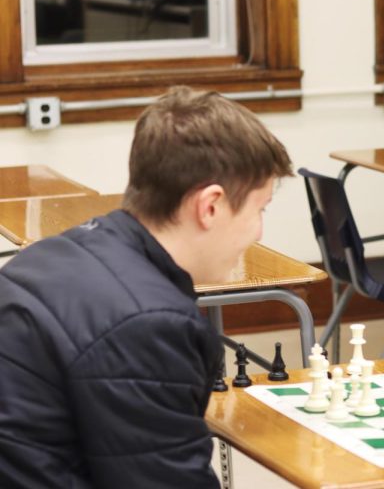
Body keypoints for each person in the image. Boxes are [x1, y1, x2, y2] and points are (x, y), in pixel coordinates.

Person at [0, 86, 293, 487]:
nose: (259, 232)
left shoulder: (56, 251)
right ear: (210, 206)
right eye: (259, 210)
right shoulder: (149, 324)